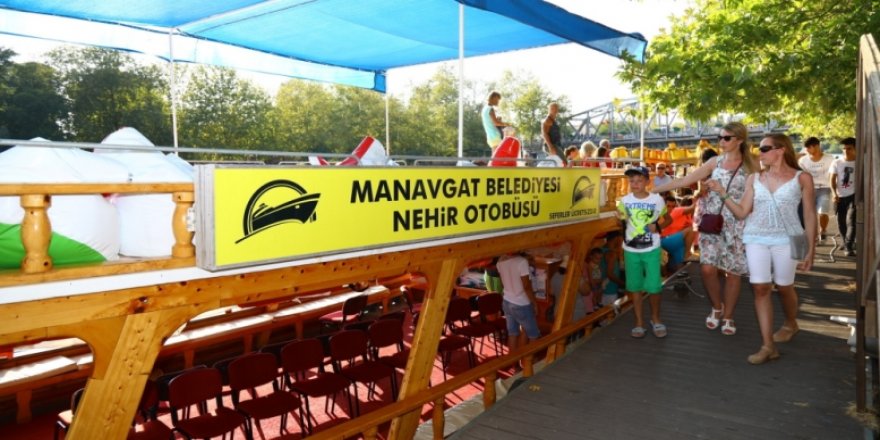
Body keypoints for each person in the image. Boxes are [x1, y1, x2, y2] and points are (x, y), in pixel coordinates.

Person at [706, 133, 816, 364]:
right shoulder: (754, 178)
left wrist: (811, 248)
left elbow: (809, 214)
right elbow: (742, 212)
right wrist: (722, 192)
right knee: (760, 288)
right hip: (755, 237)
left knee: (784, 286)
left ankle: (791, 323)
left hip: (787, 239)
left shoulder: (802, 178)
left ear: (781, 150)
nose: (759, 153)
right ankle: (768, 346)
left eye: (765, 149)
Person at [653, 122, 758, 336]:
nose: (721, 141)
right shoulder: (714, 162)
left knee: (733, 273)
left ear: (739, 140)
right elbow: (685, 179)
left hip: (737, 224)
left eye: (726, 138)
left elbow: (758, 196)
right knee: (707, 269)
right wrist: (654, 190)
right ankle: (717, 307)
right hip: (712, 222)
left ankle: (728, 316)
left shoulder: (751, 165)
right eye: (720, 137)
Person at [617, 165, 672, 338]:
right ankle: (639, 322)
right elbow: (621, 223)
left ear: (648, 181)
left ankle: (655, 318)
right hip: (630, 250)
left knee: (654, 287)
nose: (635, 184)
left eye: (639, 180)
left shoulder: (657, 200)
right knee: (634, 287)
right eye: (632, 180)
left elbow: (668, 219)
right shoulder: (624, 201)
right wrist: (618, 219)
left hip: (652, 249)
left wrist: (658, 227)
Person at [496, 252, 541, 351]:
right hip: (521, 303)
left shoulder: (500, 261)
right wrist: (534, 302)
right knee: (533, 335)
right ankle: (528, 360)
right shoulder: (522, 261)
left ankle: (515, 360)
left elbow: (502, 284)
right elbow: (526, 286)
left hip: (507, 301)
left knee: (512, 334)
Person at [797, 137, 834, 240]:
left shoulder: (830, 159)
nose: (807, 150)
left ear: (817, 146)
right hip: (809, 189)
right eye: (806, 148)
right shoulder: (803, 161)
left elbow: (834, 174)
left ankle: (823, 230)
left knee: (823, 212)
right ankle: (813, 234)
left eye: (809, 147)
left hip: (825, 188)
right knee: (809, 214)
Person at [830, 137, 857, 256]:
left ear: (855, 149)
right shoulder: (837, 162)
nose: (846, 151)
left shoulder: (860, 162)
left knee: (851, 221)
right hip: (839, 196)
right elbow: (832, 179)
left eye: (849, 148)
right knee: (841, 222)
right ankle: (844, 242)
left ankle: (848, 246)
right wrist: (834, 193)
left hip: (854, 195)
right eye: (844, 149)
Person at [660, 195, 696, 273]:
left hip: (675, 243)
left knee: (680, 268)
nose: (671, 208)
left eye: (673, 206)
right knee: (691, 229)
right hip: (666, 240)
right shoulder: (677, 210)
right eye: (668, 206)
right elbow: (693, 207)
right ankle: (687, 254)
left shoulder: (687, 216)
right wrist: (698, 197)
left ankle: (669, 270)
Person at [600, 231, 625, 308]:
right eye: (621, 239)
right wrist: (623, 284)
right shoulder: (611, 254)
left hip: (603, 290)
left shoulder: (600, 250)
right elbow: (610, 274)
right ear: (617, 238)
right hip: (610, 291)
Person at [581, 248, 605, 314]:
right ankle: (595, 306)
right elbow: (590, 276)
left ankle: (599, 302)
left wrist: (601, 279)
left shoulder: (598, 264)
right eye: (597, 258)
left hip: (599, 281)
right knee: (595, 294)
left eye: (600, 259)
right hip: (594, 283)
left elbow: (600, 272)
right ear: (591, 257)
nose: (599, 260)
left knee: (600, 292)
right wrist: (592, 283)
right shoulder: (590, 265)